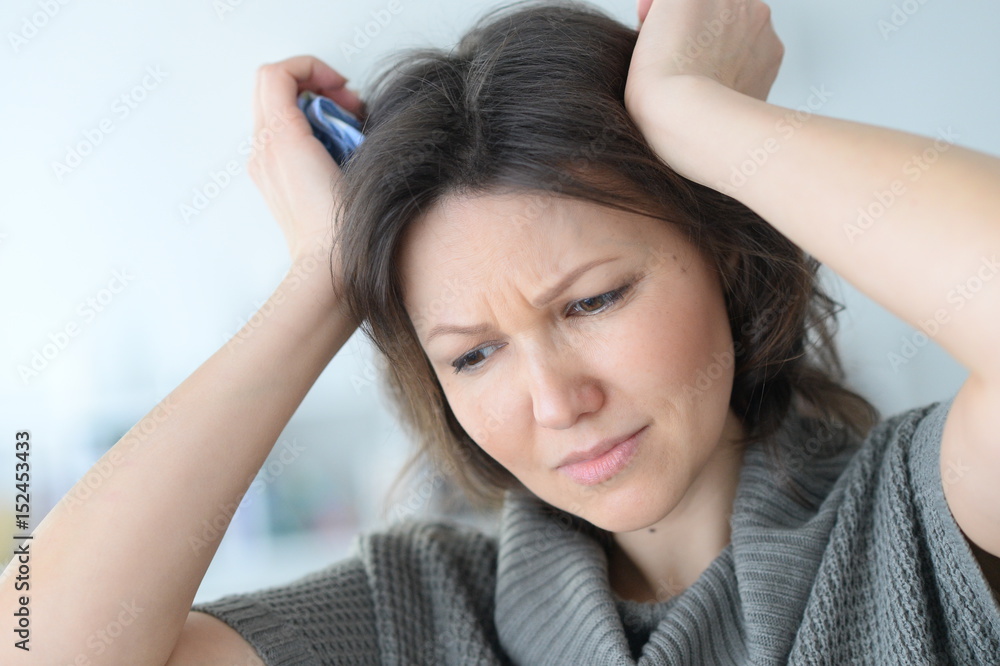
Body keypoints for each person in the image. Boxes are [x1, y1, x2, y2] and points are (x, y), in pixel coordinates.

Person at [4, 0, 999, 663]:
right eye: (472, 354)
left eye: (594, 301)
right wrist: (322, 280)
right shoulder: (421, 616)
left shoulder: (921, 519)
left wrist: (694, 116)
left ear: (725, 257)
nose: (557, 401)